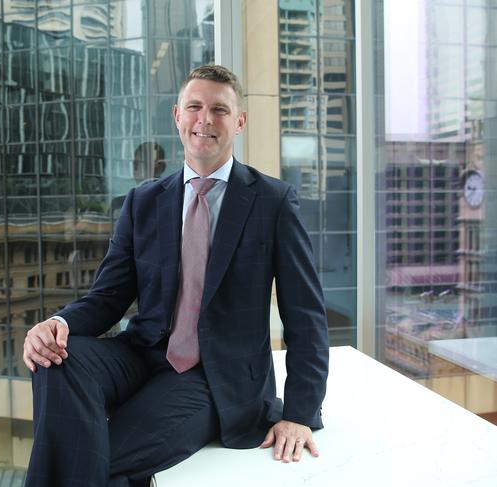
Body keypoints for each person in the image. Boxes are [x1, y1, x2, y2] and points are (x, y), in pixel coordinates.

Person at [23, 64, 329, 487]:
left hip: (213, 376)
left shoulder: (273, 202)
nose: (205, 119)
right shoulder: (143, 201)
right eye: (195, 107)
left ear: (239, 122)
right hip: (141, 355)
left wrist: (300, 414)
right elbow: (107, 298)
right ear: (177, 116)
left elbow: (305, 315)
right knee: (54, 361)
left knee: (99, 459)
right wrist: (57, 324)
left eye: (219, 110)